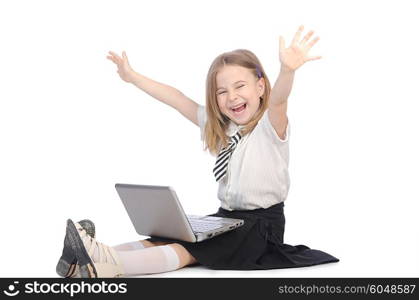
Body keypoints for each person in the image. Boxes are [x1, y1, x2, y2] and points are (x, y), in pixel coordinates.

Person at [56, 25, 339, 278]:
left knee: (190, 251)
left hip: (260, 229)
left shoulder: (269, 127)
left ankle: (110, 264)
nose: (232, 97)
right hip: (226, 218)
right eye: (222, 91)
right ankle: (88, 256)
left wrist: (287, 71)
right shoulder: (223, 128)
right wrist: (132, 77)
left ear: (261, 86)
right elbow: (177, 99)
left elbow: (279, 101)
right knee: (168, 237)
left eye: (240, 86)